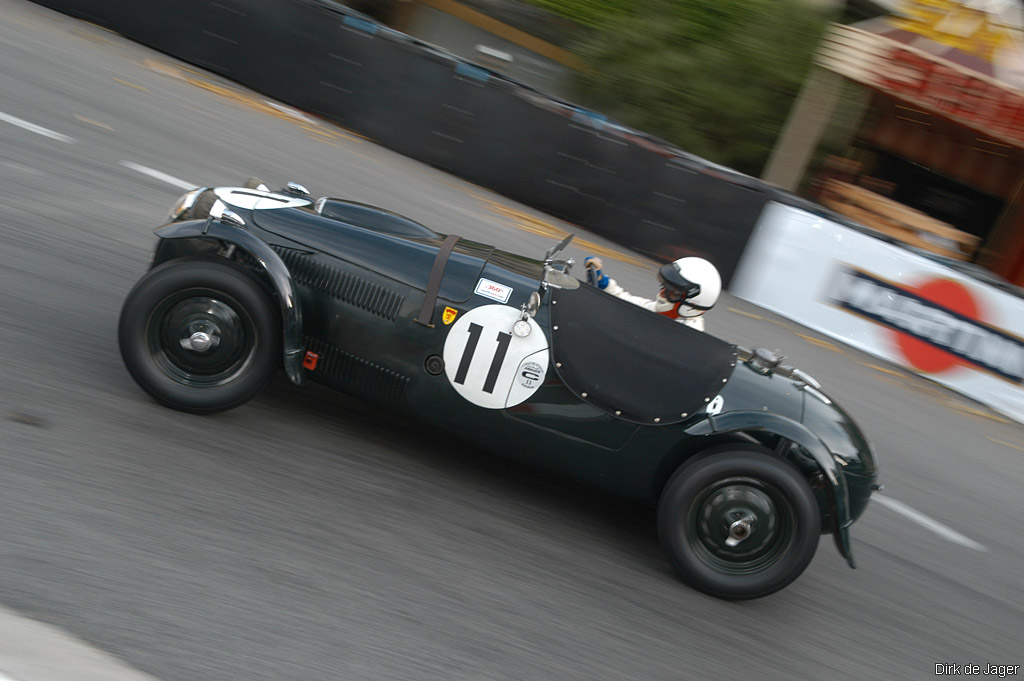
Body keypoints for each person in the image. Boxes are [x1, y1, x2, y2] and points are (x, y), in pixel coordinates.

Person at [584, 256, 721, 331]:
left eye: (673, 292)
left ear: (692, 302)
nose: (662, 293)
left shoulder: (691, 336)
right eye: (665, 286)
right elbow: (624, 300)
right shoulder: (656, 310)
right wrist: (601, 280)